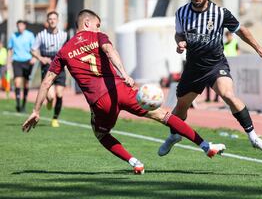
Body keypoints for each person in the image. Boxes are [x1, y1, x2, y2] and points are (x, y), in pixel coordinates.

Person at [22, 9, 226, 175]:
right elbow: (111, 52)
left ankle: (135, 162)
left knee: (101, 134)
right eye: (97, 24)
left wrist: (36, 110)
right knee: (164, 114)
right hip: (120, 89)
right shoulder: (98, 36)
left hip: (100, 102)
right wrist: (125, 74)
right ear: (87, 23)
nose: (98, 27)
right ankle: (206, 146)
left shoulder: (64, 51)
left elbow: (47, 81)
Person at [158, 0, 262, 157]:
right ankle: (174, 136)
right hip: (194, 68)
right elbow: (178, 33)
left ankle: (253, 136)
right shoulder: (181, 12)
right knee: (181, 106)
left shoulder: (220, 13)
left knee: (228, 95)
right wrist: (179, 42)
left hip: (215, 64)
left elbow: (240, 30)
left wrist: (259, 49)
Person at [31, 11, 67, 127]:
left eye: (54, 19)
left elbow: (67, 50)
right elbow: (32, 49)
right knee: (50, 97)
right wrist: (40, 58)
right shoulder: (41, 35)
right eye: (50, 19)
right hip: (47, 65)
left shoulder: (64, 35)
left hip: (60, 64)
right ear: (47, 21)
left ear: (57, 20)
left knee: (59, 94)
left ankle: (55, 119)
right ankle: (50, 102)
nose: (52, 21)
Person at [7, 20, 35, 112]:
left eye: (21, 26)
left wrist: (34, 58)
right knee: (17, 83)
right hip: (17, 61)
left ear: (24, 26)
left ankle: (24, 104)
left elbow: (34, 48)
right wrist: (9, 59)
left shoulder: (30, 35)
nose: (20, 28)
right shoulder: (13, 36)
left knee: (26, 84)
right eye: (18, 26)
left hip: (27, 61)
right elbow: (10, 49)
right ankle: (18, 104)